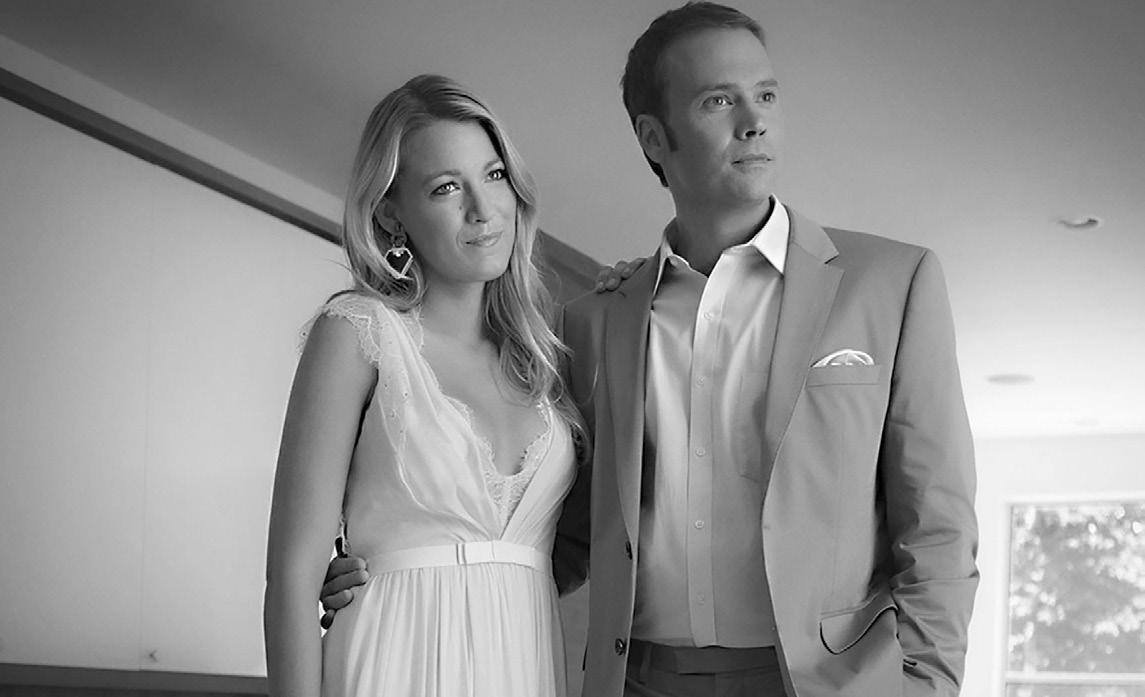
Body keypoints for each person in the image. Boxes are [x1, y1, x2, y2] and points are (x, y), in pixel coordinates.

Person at [322, 4, 980, 696]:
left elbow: (937, 528)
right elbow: (559, 531)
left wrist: (925, 687)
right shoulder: (591, 323)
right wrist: (398, 569)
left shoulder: (891, 283)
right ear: (653, 137)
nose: (753, 121)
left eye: (765, 95)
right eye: (717, 101)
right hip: (639, 681)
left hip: (830, 683)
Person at [263, 73, 584, 697]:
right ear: (391, 212)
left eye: (494, 175)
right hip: (392, 662)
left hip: (525, 666)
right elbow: (292, 579)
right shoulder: (358, 333)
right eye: (446, 187)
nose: (483, 209)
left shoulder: (546, 360)